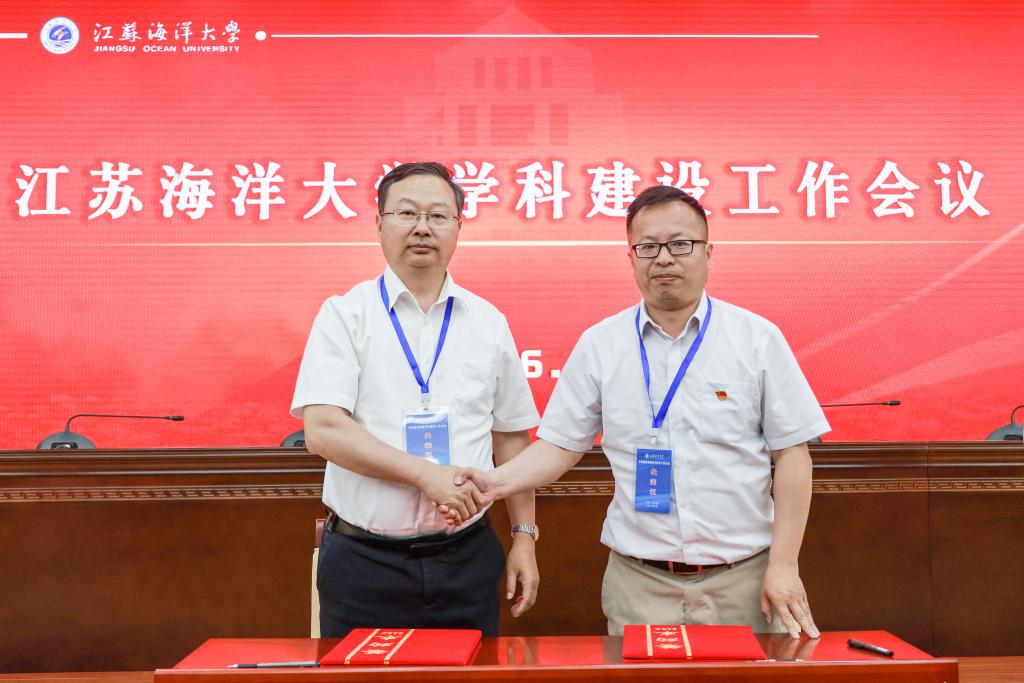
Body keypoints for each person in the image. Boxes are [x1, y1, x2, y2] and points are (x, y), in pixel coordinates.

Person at [450, 185, 830, 639]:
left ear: (708, 252)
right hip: (639, 584)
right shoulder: (601, 345)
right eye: (648, 247)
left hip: (745, 580)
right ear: (631, 258)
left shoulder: (757, 339)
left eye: (680, 244)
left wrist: (784, 565)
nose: (664, 258)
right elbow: (557, 448)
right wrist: (490, 484)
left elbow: (792, 454)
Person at [291, 162, 541, 638]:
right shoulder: (345, 315)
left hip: (466, 558)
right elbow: (322, 430)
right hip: (365, 562)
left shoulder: (488, 323)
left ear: (458, 227)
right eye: (407, 213)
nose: (423, 227)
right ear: (379, 224)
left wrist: (524, 537)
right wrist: (426, 475)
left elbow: (511, 437)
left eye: (438, 216)